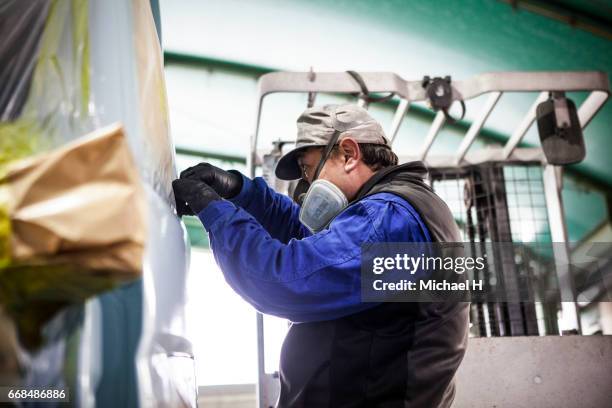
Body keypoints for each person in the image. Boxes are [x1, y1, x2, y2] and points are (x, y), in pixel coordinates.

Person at [172, 104, 469, 408]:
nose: (306, 187)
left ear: (349, 154)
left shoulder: (388, 220)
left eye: (308, 169)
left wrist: (216, 212)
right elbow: (311, 244)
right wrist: (241, 193)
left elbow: (284, 280)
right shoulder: (400, 212)